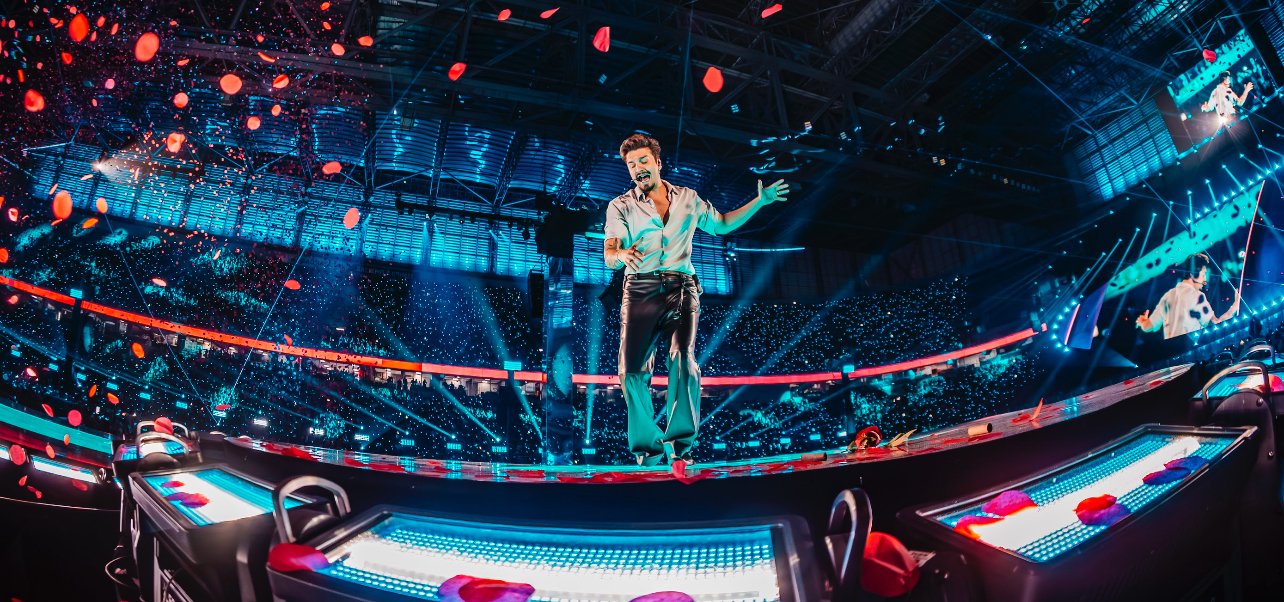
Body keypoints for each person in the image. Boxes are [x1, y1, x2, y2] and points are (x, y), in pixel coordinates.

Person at [603, 134, 789, 469]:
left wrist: (760, 202)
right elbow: (609, 254)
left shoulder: (688, 198)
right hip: (640, 289)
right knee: (630, 371)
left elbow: (722, 225)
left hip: (681, 287)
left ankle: (679, 447)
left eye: (643, 160)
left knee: (683, 359)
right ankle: (649, 451)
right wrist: (621, 254)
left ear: (658, 163)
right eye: (631, 164)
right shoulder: (620, 205)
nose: (638, 168)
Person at [1136, 254, 1240, 341]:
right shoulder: (1197, 296)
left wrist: (1143, 322)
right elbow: (1216, 323)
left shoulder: (1168, 296)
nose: (1205, 280)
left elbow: (1147, 326)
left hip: (1171, 357)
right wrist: (1235, 306)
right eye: (1203, 274)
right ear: (1192, 275)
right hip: (1191, 356)